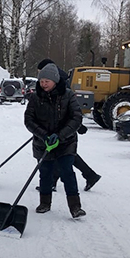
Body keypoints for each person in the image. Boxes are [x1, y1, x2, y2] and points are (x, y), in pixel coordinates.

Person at [24, 63, 86, 218]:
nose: (43, 84)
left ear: (55, 81)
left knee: (67, 172)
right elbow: (29, 120)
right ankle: (44, 203)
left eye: (47, 81)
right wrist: (44, 135)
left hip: (66, 142)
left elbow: (76, 118)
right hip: (42, 142)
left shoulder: (68, 95)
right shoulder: (35, 97)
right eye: (42, 81)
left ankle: (75, 207)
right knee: (45, 172)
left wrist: (60, 135)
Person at [37, 58, 102, 191]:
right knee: (62, 152)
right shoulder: (59, 77)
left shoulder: (58, 81)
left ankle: (53, 182)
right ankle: (89, 175)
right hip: (60, 123)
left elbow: (65, 104)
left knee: (61, 153)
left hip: (61, 124)